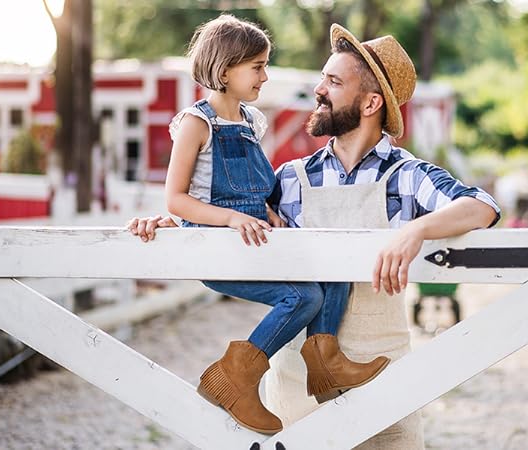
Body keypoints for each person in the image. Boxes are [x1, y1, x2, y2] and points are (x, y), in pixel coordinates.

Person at [129, 23, 500, 449]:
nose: (318, 89)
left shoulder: (407, 176)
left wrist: (415, 230)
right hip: (295, 394)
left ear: (371, 102)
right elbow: (233, 210)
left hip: (383, 385)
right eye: (323, 77)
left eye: (333, 81)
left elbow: (482, 206)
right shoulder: (290, 177)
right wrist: (168, 225)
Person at [148, 15, 390, 436]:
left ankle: (325, 365)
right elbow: (177, 198)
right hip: (216, 245)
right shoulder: (196, 123)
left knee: (329, 267)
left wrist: (266, 210)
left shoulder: (249, 122)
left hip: (253, 238)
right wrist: (231, 216)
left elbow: (251, 188)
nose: (265, 75)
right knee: (302, 297)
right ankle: (235, 379)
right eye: (257, 66)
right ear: (225, 71)